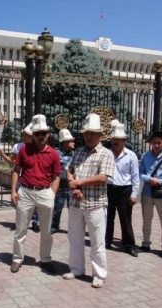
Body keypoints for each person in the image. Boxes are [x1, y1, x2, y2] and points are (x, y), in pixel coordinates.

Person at [62, 114, 114, 289]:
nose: (89, 136)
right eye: (86, 133)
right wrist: (72, 185)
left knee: (97, 241)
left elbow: (103, 177)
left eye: (92, 133)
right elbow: (69, 170)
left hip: (95, 205)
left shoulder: (105, 154)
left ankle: (99, 274)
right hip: (76, 204)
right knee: (75, 238)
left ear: (100, 135)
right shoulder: (78, 152)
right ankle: (76, 269)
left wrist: (80, 182)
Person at [10, 114, 60, 274]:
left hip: (45, 192)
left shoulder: (53, 154)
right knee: (21, 229)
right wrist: (13, 191)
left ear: (48, 134)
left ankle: (45, 259)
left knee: (46, 231)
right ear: (32, 135)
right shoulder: (24, 150)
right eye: (37, 133)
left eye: (43, 133)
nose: (40, 137)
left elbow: (56, 176)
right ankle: (17, 258)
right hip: (26, 192)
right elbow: (16, 171)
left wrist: (52, 194)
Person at [138, 131, 162, 258]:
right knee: (146, 219)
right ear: (151, 143)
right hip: (147, 192)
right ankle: (145, 243)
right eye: (154, 142)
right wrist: (149, 179)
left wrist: (159, 181)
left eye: (159, 142)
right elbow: (140, 173)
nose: (156, 145)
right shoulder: (145, 156)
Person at [105, 123, 140, 257]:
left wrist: (134, 194)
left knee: (125, 218)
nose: (115, 142)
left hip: (125, 190)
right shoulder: (107, 154)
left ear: (124, 140)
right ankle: (107, 240)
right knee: (108, 217)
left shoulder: (131, 156)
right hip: (109, 188)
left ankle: (129, 245)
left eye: (118, 139)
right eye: (113, 139)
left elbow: (135, 176)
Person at [0, 123, 37, 231]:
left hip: (32, 177)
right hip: (20, 177)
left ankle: (35, 222)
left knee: (34, 201)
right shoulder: (17, 146)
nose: (25, 137)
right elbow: (11, 160)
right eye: (24, 135)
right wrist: (1, 153)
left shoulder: (36, 147)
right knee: (18, 201)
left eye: (27, 135)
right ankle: (19, 221)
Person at [50, 128, 75, 234]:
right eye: (71, 141)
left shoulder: (75, 154)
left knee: (73, 209)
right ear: (64, 142)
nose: (73, 142)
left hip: (71, 186)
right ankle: (54, 226)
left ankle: (73, 228)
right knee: (57, 208)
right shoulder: (56, 153)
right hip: (59, 185)